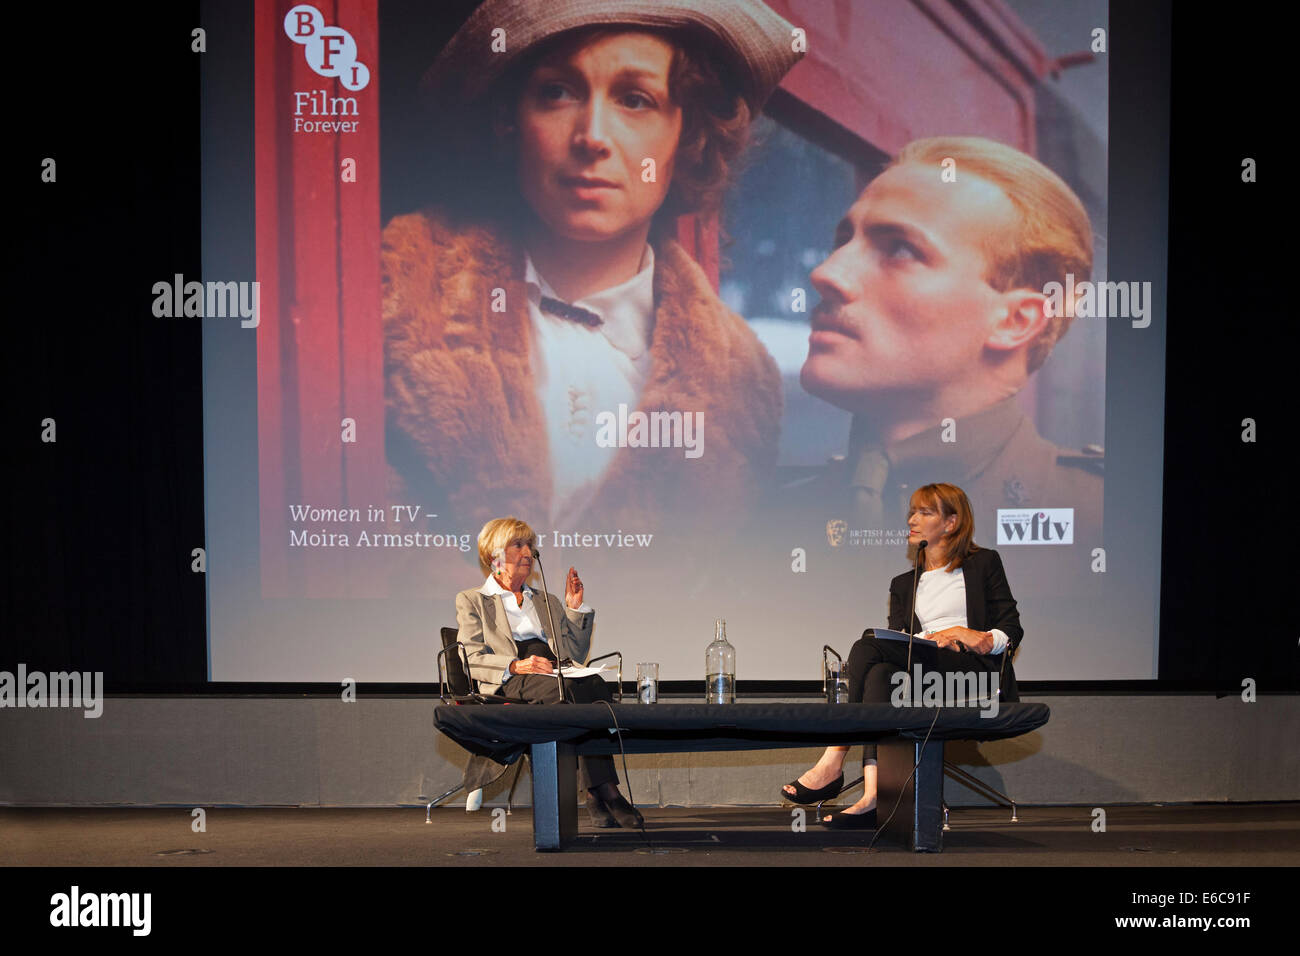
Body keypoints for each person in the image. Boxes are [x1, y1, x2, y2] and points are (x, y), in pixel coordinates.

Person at [384, 0, 803, 535]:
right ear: (510, 120)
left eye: (635, 99)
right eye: (557, 92)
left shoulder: (745, 379)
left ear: (688, 135)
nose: (592, 137)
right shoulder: (398, 283)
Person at [795, 136, 1102, 548]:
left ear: (1015, 320)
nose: (826, 273)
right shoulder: (770, 520)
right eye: (843, 241)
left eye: (900, 249)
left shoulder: (1107, 521)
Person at [780, 482, 1023, 828]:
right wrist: (929, 639)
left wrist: (973, 637)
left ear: (951, 523)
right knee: (879, 673)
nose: (913, 518)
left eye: (925, 512)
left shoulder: (984, 563)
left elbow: (1011, 628)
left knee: (866, 646)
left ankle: (834, 757)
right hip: (922, 669)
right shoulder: (903, 583)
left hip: (970, 673)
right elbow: (901, 642)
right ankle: (875, 797)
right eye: (912, 511)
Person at [455, 516, 641, 828]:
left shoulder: (545, 601)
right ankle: (605, 790)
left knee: (594, 685)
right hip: (511, 677)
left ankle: (596, 791)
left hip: (554, 669)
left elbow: (575, 655)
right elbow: (470, 657)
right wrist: (515, 665)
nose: (528, 552)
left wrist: (573, 608)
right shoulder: (472, 600)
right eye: (518, 545)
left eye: (530, 545)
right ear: (494, 555)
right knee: (562, 693)